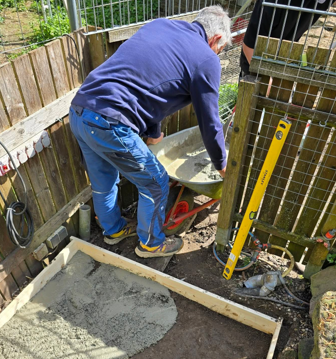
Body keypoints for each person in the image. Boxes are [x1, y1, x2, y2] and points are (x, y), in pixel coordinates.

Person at [69, 6, 231, 258]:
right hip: (110, 122)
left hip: (81, 110)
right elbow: (210, 122)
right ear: (216, 38)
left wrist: (153, 131)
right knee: (155, 183)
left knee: (103, 181)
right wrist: (222, 163)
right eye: (220, 50)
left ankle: (113, 231)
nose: (218, 54)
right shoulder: (206, 59)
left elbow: (149, 84)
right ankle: (151, 245)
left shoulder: (161, 25)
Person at [239, 0, 333, 76]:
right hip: (255, 64)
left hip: (283, 57)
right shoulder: (274, 3)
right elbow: (249, 44)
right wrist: (264, 76)